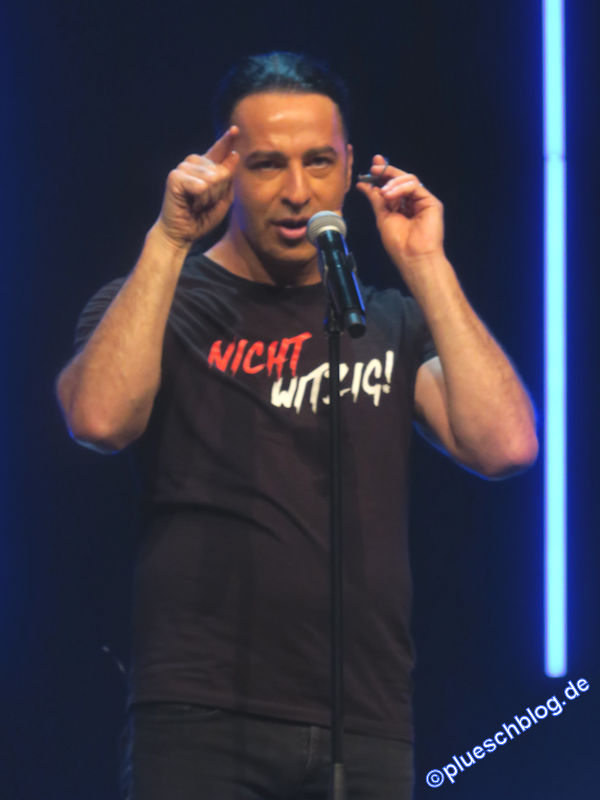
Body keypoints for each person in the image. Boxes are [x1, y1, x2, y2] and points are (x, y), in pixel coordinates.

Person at [56, 52, 538, 800]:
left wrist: (428, 266)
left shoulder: (384, 320)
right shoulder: (164, 302)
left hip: (364, 717)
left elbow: (504, 445)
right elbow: (98, 419)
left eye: (318, 162)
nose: (296, 191)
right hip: (201, 716)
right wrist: (168, 241)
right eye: (266, 165)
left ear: (348, 169)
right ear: (225, 171)